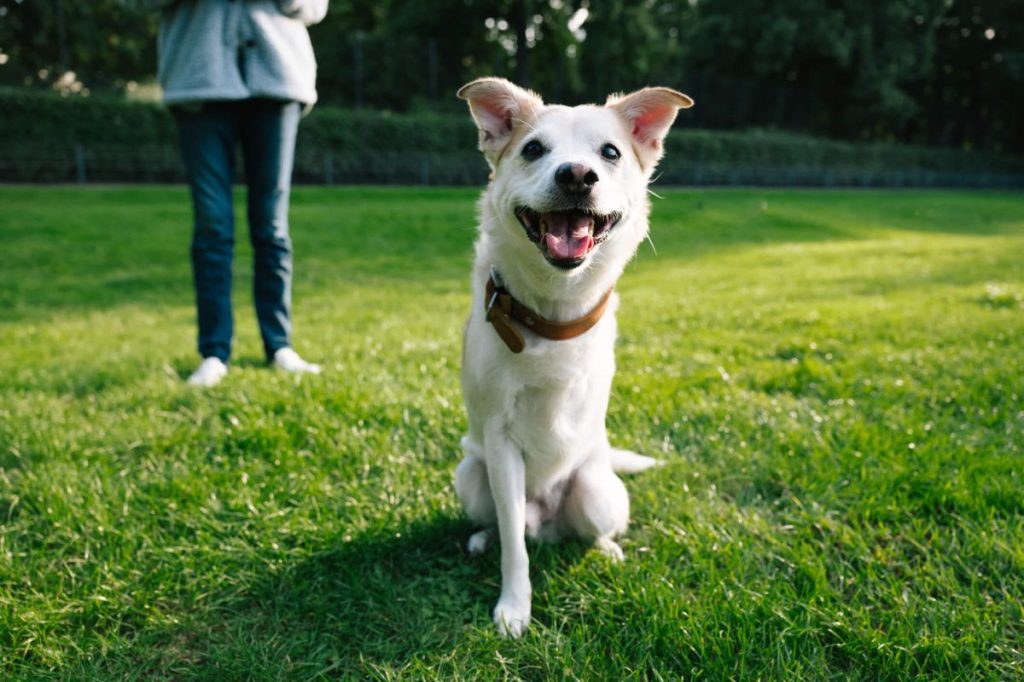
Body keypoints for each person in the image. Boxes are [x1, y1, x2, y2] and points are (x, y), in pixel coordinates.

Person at [140, 0, 329, 386]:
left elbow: (313, 7)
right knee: (212, 225)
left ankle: (279, 345)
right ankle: (213, 353)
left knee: (271, 225)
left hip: (278, 79)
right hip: (198, 77)